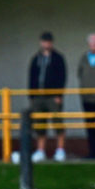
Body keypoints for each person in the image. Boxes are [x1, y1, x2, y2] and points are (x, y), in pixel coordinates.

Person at [28, 31, 67, 162]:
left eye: (48, 41)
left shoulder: (57, 58)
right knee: (39, 124)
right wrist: (31, 95)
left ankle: (60, 150)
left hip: (53, 97)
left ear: (51, 43)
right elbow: (31, 76)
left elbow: (62, 77)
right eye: (44, 41)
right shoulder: (36, 58)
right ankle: (40, 151)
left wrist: (59, 94)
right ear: (41, 42)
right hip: (37, 96)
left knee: (57, 122)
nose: (46, 44)